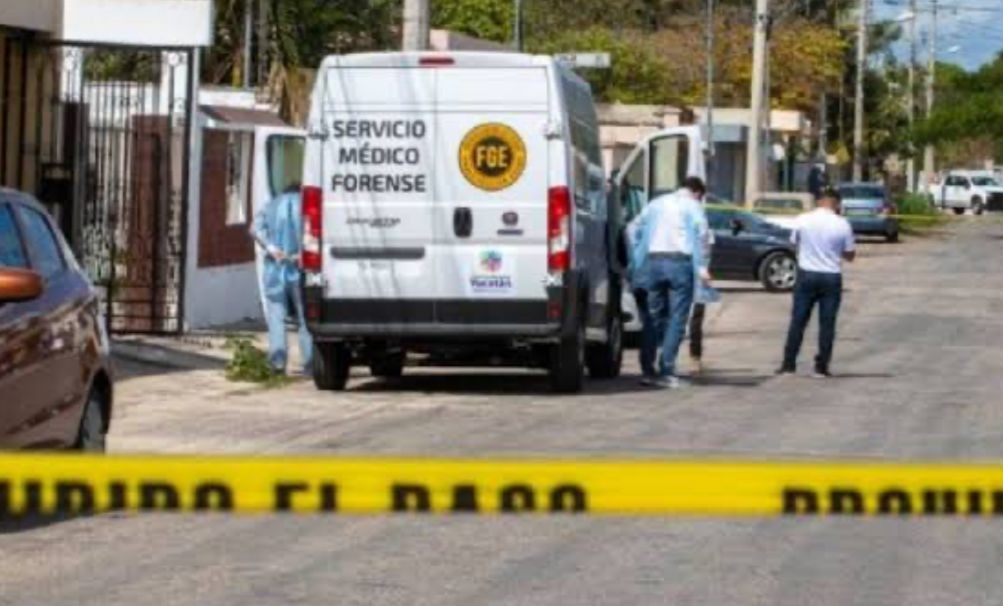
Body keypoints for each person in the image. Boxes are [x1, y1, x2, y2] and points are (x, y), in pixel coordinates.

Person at [631, 176, 711, 388]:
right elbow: (703, 235)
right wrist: (702, 266)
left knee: (653, 317)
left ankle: (648, 371)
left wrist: (636, 255)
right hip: (679, 263)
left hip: (653, 261)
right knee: (677, 318)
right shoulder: (693, 206)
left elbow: (634, 228)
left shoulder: (656, 203)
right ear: (697, 193)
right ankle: (667, 370)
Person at [778, 187, 855, 377]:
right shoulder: (842, 224)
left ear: (820, 201)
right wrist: (836, 251)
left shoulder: (803, 219)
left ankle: (789, 364)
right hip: (831, 276)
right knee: (827, 323)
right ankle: (821, 366)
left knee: (798, 320)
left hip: (807, 274)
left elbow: (793, 242)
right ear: (836, 203)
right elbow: (850, 254)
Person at [251, 184, 313, 375]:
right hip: (299, 266)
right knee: (305, 318)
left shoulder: (271, 205)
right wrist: (303, 255)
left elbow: (254, 229)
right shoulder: (305, 205)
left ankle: (277, 362)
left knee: (276, 316)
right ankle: (309, 363)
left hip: (275, 267)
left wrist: (271, 248)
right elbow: (311, 233)